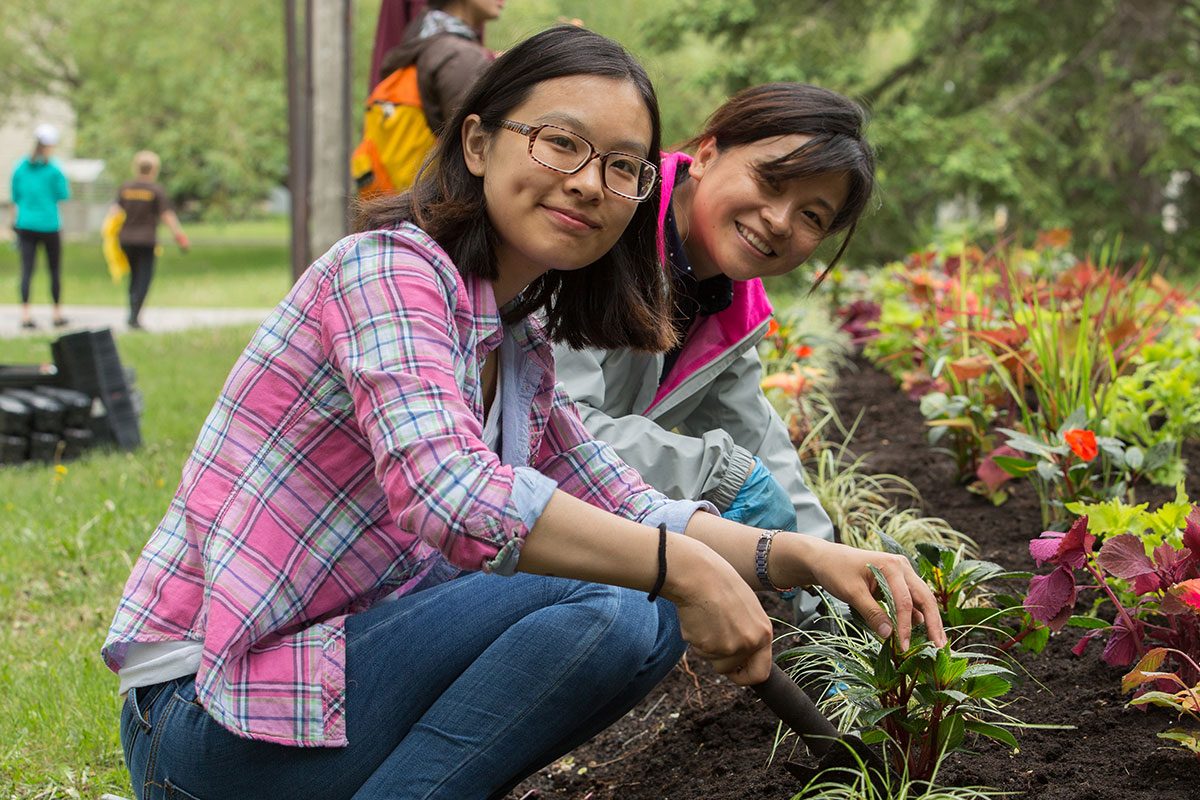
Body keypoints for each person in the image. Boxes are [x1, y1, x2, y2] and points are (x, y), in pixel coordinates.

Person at [102, 26, 942, 800]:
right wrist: (684, 570)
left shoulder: (519, 334)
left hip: (329, 680)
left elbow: (626, 500)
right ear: (477, 142)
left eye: (621, 165)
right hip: (209, 713)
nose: (588, 181)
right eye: (561, 142)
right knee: (616, 604)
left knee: (635, 617)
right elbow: (452, 495)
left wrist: (797, 554)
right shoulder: (387, 273)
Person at [554, 83, 875, 627]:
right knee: (638, 608)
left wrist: (839, 607)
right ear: (705, 154)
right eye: (770, 181)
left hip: (548, 518)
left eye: (813, 216)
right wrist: (717, 473)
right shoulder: (601, 227)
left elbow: (762, 443)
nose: (780, 220)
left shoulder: (728, 306)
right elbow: (551, 429)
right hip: (446, 530)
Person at [109, 151, 189, 330]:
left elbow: (114, 212)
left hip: (126, 239)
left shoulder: (126, 188)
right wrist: (180, 237)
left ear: (136, 167)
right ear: (154, 169)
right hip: (146, 240)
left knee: (133, 276)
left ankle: (131, 312)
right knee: (144, 278)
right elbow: (167, 215)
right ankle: (135, 317)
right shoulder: (155, 190)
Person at [11, 123, 70, 330]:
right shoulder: (54, 169)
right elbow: (63, 194)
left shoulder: (20, 167)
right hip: (49, 224)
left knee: (27, 269)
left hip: (25, 224)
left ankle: (25, 314)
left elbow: (15, 196)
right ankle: (56, 313)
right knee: (54, 269)